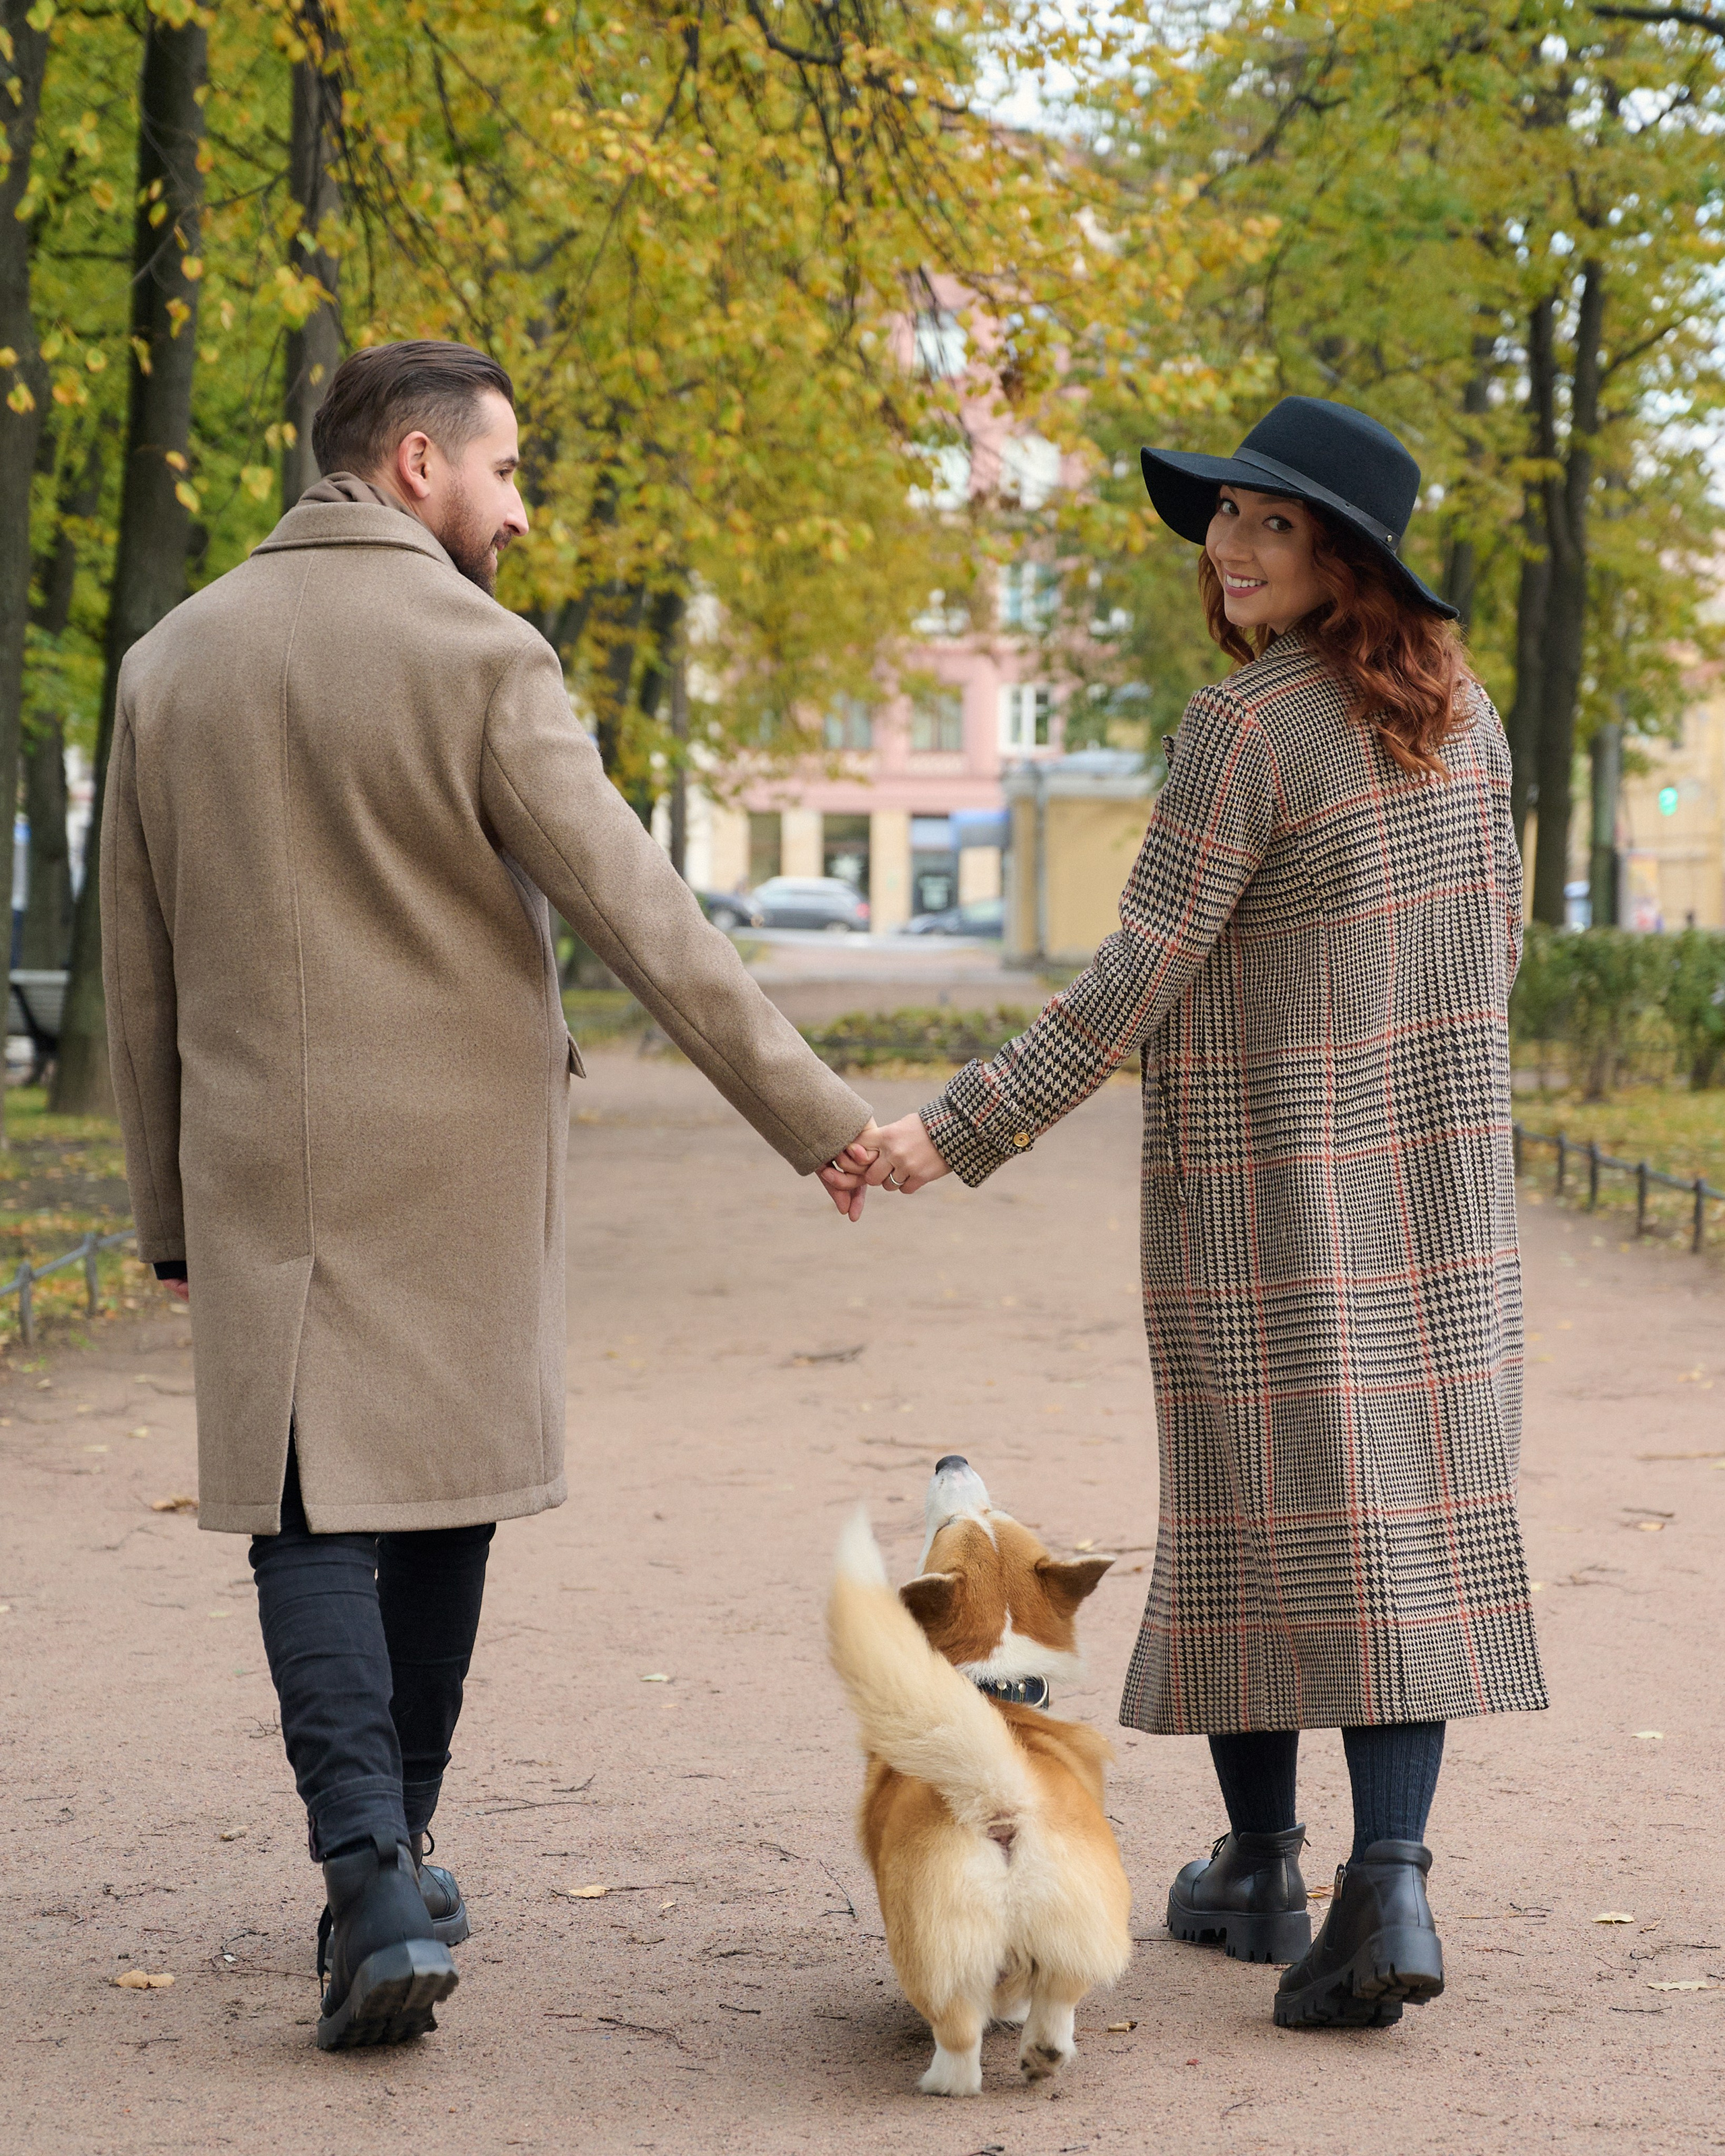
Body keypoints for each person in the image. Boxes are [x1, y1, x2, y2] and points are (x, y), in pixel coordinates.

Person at [101, 340, 875, 2051]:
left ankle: (371, 1872)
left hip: (260, 1170)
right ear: (413, 464)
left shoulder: (169, 662)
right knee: (438, 1497)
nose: (518, 511)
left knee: (303, 1512)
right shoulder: (479, 654)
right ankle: (398, 1855)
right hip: (453, 1163)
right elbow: (642, 915)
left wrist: (164, 1209)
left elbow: (135, 977)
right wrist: (810, 1116)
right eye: (504, 471)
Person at [825, 397, 1547, 2030]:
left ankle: (1293, 1861)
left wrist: (952, 1130)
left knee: (1251, 1519)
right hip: (1441, 1197)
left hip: (1266, 1195)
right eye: (1221, 515)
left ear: (1343, 556)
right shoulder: (1469, 720)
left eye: (1267, 524)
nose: (1224, 547)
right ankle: (1367, 1873)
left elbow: (1136, 974)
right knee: (1396, 1518)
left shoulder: (1244, 732)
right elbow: (1492, 954)